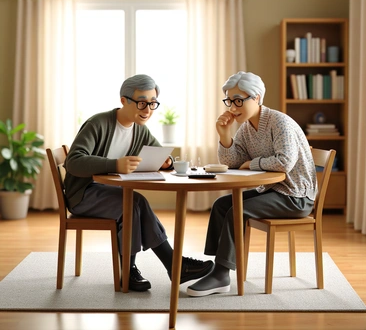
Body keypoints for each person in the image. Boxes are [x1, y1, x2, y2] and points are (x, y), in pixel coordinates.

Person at [64, 74, 214, 292]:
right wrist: (115, 165)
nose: (148, 110)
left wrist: (167, 162)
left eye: (153, 103)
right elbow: (74, 162)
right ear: (123, 100)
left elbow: (160, 153)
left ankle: (139, 270)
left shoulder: (139, 129)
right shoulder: (98, 123)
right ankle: (168, 266)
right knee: (133, 203)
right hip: (82, 195)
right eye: (142, 102)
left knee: (133, 203)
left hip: (107, 193)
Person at [187, 71, 317, 297]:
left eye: (238, 100)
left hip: (296, 197)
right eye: (229, 101)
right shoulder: (247, 128)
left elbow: (284, 162)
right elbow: (232, 162)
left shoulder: (280, 122)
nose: (232, 107)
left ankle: (221, 274)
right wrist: (225, 135)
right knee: (221, 205)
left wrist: (251, 164)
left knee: (236, 211)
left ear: (256, 98)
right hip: (273, 191)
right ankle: (217, 267)